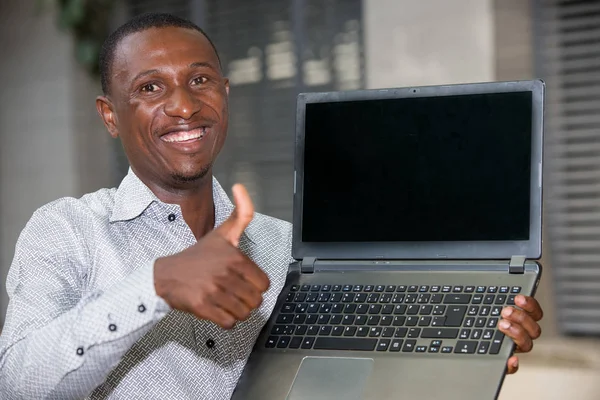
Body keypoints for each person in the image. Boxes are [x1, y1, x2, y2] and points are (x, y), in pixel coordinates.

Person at [0, 12, 544, 400]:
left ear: (225, 93)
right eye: (149, 87)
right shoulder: (66, 230)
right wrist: (157, 284)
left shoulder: (286, 245)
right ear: (110, 115)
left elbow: (351, 376)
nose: (185, 105)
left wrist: (466, 346)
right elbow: (18, 384)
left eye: (200, 80)